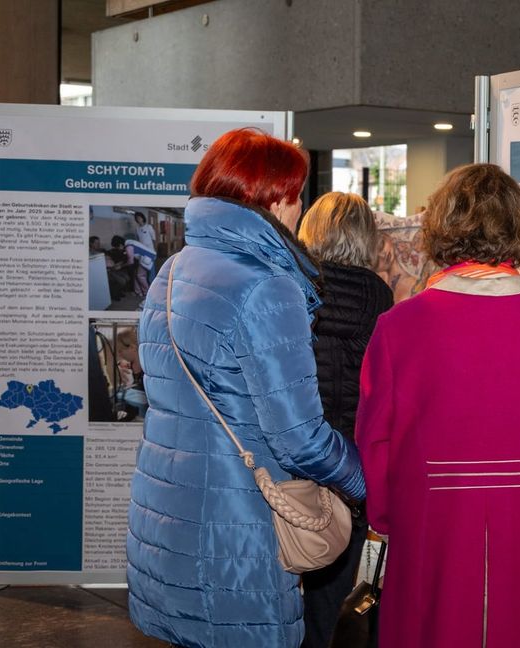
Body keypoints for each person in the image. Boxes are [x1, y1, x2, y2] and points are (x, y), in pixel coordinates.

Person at [355, 163, 520, 647]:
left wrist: (396, 514)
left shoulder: (398, 329)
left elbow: (375, 448)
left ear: (442, 228)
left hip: (433, 536)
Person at [126, 128, 366, 648]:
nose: (299, 207)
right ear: (274, 198)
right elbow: (299, 437)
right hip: (234, 533)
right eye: (297, 193)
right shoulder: (265, 284)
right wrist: (366, 481)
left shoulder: (172, 271)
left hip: (166, 517)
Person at [296, 192, 394, 648]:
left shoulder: (293, 291)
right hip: (359, 466)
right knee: (364, 589)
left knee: (306, 583)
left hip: (302, 458)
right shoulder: (379, 298)